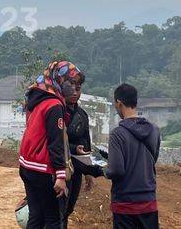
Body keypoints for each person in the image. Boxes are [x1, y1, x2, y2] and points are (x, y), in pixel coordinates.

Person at [18, 60, 82, 229]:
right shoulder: (54, 105)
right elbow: (56, 142)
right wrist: (61, 176)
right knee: (53, 218)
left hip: (27, 166)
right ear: (59, 80)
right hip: (42, 169)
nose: (74, 88)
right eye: (71, 82)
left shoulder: (38, 99)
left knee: (36, 216)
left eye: (77, 84)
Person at [105, 83, 161, 229]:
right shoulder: (154, 130)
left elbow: (116, 170)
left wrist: (104, 170)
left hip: (125, 203)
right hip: (148, 200)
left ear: (118, 103)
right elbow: (152, 159)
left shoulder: (117, 134)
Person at [60, 73, 105, 227]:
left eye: (78, 89)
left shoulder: (82, 115)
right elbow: (54, 140)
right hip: (60, 167)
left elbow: (86, 142)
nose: (74, 92)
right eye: (71, 89)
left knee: (69, 208)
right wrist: (73, 148)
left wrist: (88, 172)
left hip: (77, 169)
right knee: (58, 208)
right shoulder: (57, 111)